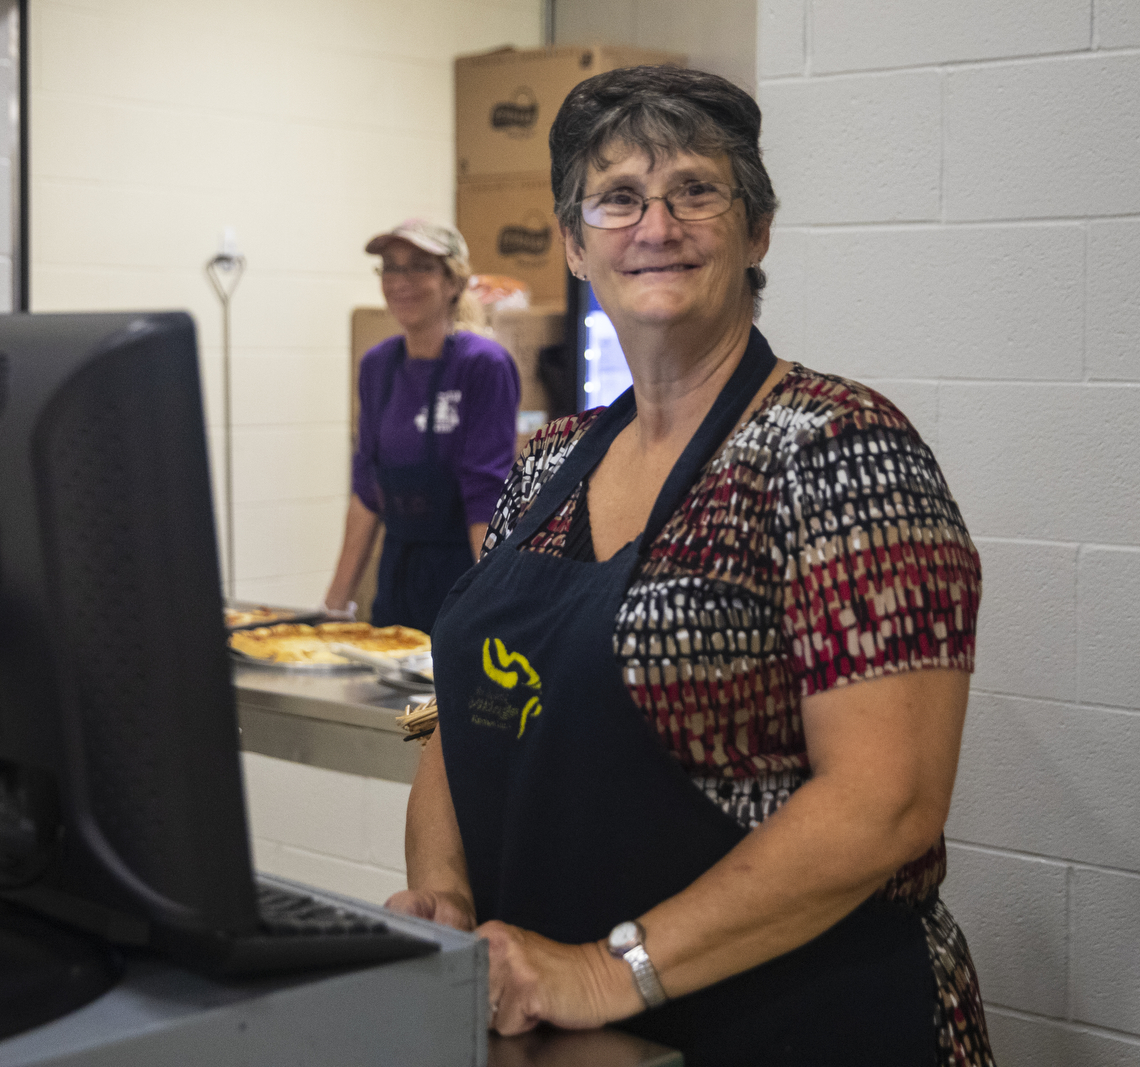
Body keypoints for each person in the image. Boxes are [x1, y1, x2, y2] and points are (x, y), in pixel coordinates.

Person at [385, 66, 994, 1067]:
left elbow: (888, 799)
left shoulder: (838, 448)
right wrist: (445, 900)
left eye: (695, 191)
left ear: (755, 232)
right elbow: (463, 716)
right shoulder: (544, 465)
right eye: (617, 197)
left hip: (800, 1024)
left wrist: (602, 969)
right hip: (569, 1034)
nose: (655, 224)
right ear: (576, 244)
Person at [323, 221, 520, 631]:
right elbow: (366, 491)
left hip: (461, 576)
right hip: (397, 578)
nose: (401, 281)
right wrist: (333, 610)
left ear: (453, 282)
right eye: (390, 268)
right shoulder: (378, 366)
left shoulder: (483, 365)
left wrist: (497, 612)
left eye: (419, 267)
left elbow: (486, 494)